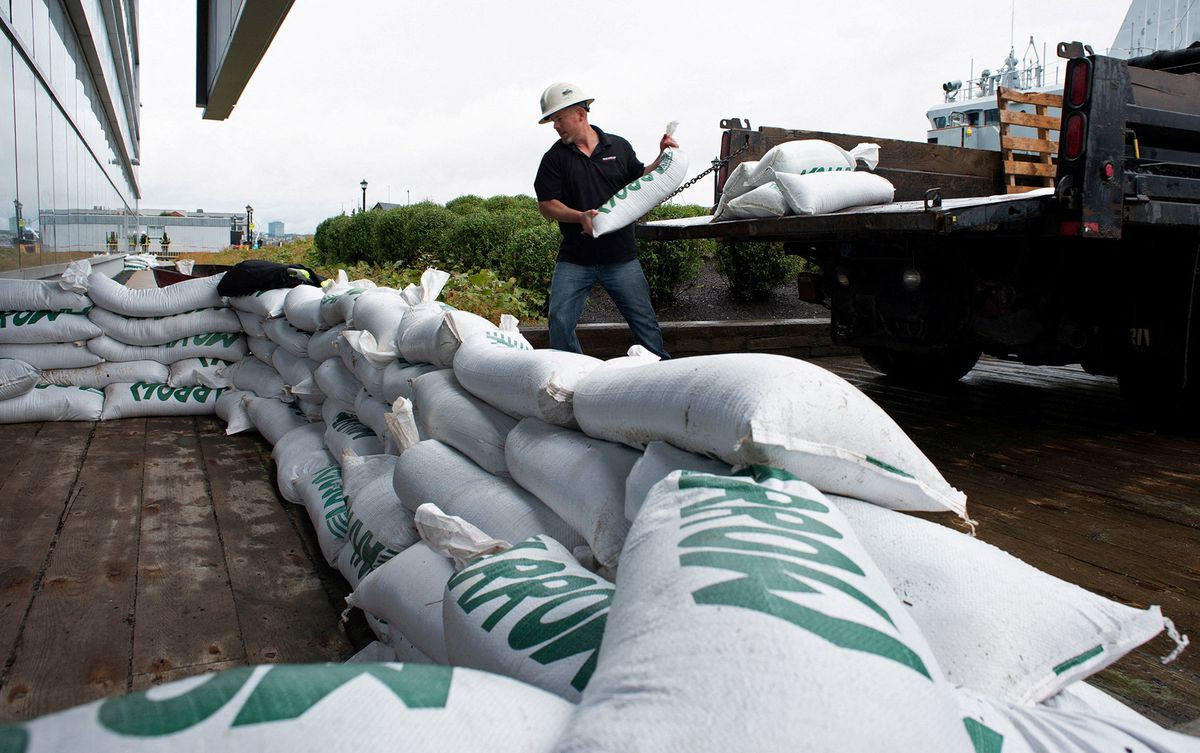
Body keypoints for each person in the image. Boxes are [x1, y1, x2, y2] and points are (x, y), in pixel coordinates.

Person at [534, 82, 677, 359]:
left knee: (645, 324)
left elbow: (641, 179)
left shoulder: (619, 146)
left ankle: (659, 376)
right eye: (552, 121)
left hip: (621, 257)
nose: (556, 126)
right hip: (575, 258)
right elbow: (547, 205)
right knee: (560, 321)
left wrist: (663, 155)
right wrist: (579, 217)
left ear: (579, 114)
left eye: (559, 119)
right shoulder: (554, 159)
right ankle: (572, 374)